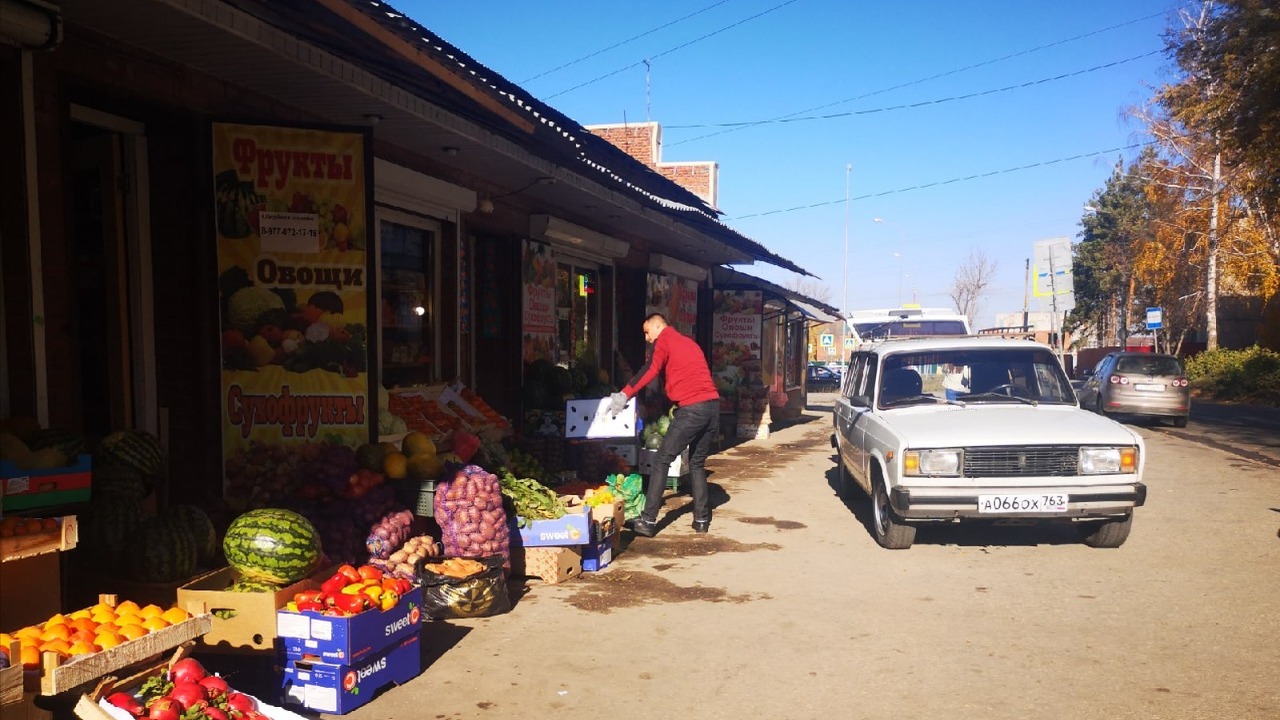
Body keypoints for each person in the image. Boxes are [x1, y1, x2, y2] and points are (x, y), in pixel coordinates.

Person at [609, 313, 720, 536]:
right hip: (712, 407)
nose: (647, 338)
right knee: (696, 463)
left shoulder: (665, 340)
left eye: (647, 332)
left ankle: (648, 521)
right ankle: (701, 520)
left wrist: (624, 394)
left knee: (661, 459)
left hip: (692, 408)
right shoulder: (689, 343)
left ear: (658, 326)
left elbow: (651, 369)